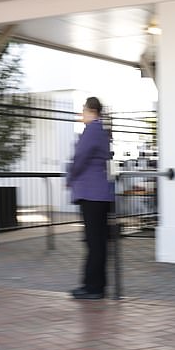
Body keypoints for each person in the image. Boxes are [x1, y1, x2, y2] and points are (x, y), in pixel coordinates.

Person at [67, 97, 114, 299]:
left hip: (91, 194)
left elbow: (79, 158)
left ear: (90, 111)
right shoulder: (101, 131)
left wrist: (69, 178)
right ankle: (97, 285)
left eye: (83, 111)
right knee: (98, 241)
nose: (82, 115)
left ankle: (92, 288)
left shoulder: (92, 130)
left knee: (94, 242)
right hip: (100, 194)